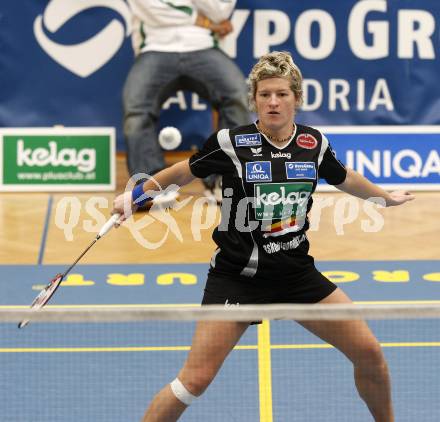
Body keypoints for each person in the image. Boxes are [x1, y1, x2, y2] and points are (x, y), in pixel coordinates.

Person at [113, 51, 414, 421]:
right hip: (237, 280)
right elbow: (180, 173)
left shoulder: (313, 144)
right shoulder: (231, 144)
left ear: (297, 99)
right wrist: (135, 196)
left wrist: (383, 198)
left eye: (282, 94)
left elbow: (344, 176)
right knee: (193, 381)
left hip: (296, 275)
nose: (273, 102)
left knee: (370, 353)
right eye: (265, 94)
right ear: (253, 99)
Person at [123, 0, 251, 202]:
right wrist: (202, 21)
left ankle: (224, 180)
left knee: (236, 96)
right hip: (154, 46)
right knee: (136, 109)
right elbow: (150, 9)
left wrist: (206, 23)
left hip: (204, 46)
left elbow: (220, 10)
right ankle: (150, 184)